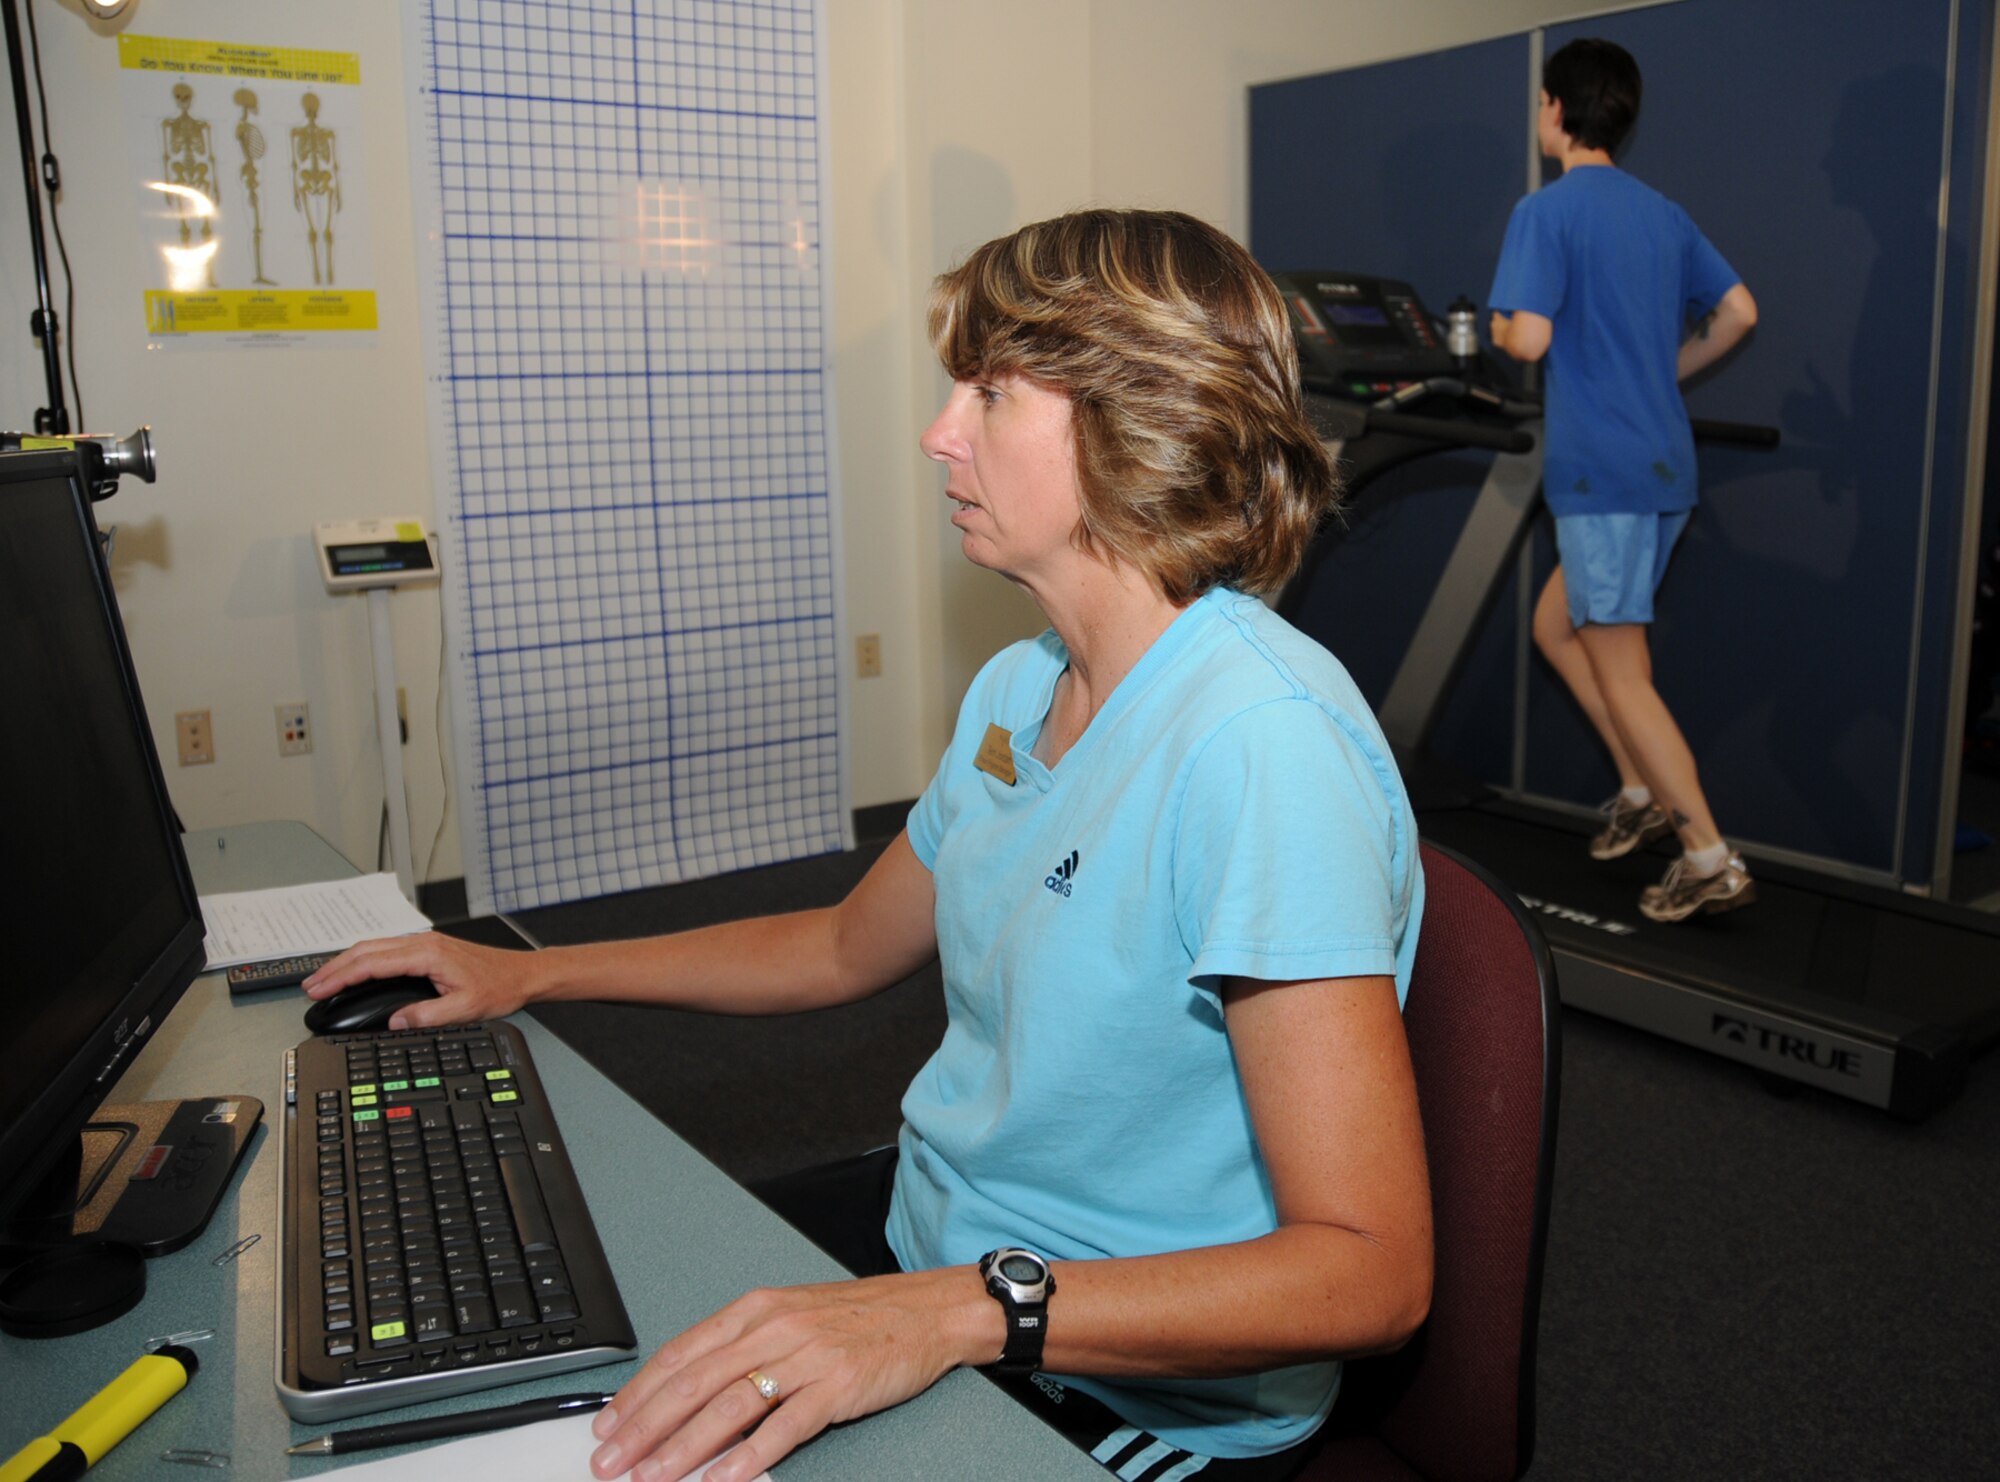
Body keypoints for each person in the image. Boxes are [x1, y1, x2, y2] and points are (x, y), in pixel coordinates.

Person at [306, 208, 1431, 1482]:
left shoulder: (1258, 745)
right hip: (950, 1259)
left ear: (1138, 421)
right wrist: (529, 973)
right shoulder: (1019, 686)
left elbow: (1368, 1274)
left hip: (1137, 1383)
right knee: (550, 1364)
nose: (937, 432)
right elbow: (843, 945)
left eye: (991, 393)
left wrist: (958, 1311)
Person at [1487, 37, 1760, 924]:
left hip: (1601, 473)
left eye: (1540, 103)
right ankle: (1640, 788)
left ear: (1558, 111)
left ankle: (1708, 854)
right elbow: (1740, 312)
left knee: (1623, 671)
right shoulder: (1662, 212)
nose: (1540, 117)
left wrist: (1493, 331)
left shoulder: (1548, 210)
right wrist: (1663, 370)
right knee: (1554, 625)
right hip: (1663, 466)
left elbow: (1526, 339)